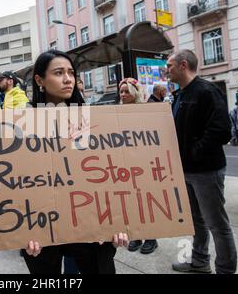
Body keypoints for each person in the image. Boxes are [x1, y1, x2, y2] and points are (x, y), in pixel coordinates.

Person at [23, 49, 129, 274]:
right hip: (42, 223)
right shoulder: (21, 123)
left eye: (71, 72)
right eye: (59, 72)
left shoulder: (93, 119)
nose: (68, 78)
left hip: (89, 220)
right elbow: (16, 180)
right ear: (40, 80)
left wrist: (117, 221)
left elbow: (108, 173)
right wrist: (24, 229)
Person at [167, 49, 237, 274]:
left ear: (183, 65)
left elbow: (222, 130)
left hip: (206, 171)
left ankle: (225, 270)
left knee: (217, 224)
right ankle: (199, 262)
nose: (166, 70)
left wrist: (195, 153)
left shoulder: (207, 91)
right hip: (186, 170)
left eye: (169, 66)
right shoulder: (181, 94)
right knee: (196, 221)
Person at [119, 78, 159, 255]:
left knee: (145, 202)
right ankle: (136, 235)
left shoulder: (144, 111)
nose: (123, 94)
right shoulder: (116, 112)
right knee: (131, 202)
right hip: (125, 164)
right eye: (121, 91)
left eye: (127, 91)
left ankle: (151, 237)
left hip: (143, 163)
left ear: (135, 92)